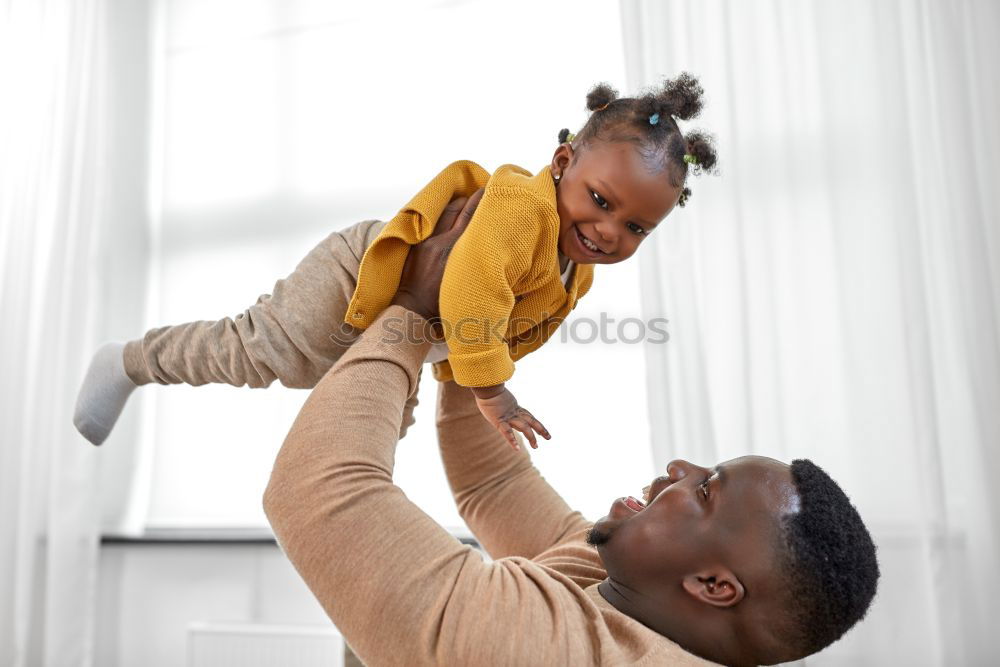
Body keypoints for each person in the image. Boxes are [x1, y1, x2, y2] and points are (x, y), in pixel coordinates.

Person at [263, 196, 880, 666]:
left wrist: (414, 310)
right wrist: (475, 321)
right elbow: (493, 483)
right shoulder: (621, 585)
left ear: (714, 586)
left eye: (705, 490)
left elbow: (318, 492)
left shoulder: (556, 651)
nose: (679, 469)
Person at [73, 73, 718, 450]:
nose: (608, 231)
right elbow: (472, 291)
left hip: (412, 333)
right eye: (600, 201)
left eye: (636, 226)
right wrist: (492, 390)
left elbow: (512, 325)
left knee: (374, 441)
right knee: (255, 353)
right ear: (561, 165)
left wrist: (467, 382)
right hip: (356, 281)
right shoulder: (523, 203)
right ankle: (129, 361)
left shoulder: (578, 267)